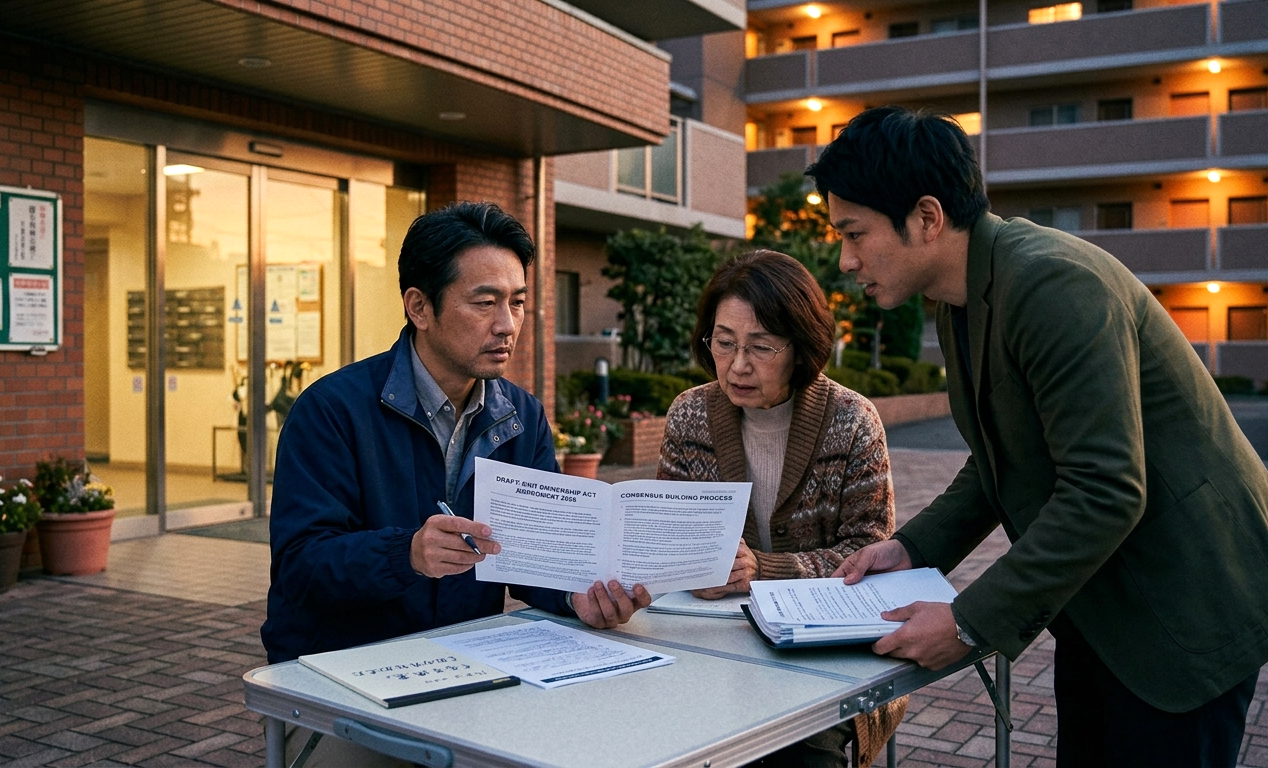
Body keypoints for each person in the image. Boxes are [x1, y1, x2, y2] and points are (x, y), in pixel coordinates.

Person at [809, 106, 1268, 767]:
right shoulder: (964, 298)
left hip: (1185, 606)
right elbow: (1000, 458)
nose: (846, 260)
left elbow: (1106, 490)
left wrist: (968, 623)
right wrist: (912, 548)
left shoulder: (1053, 284)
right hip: (1099, 605)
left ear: (928, 218)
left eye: (854, 233)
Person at [262, 201, 650, 766]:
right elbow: (301, 565)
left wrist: (577, 597)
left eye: (517, 302)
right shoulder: (332, 410)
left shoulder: (521, 416)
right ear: (419, 306)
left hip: (469, 672)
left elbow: (532, 556)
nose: (507, 324)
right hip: (338, 682)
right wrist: (407, 553)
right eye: (485, 302)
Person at [657, 250, 905, 768]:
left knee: (799, 750)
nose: (738, 365)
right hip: (709, 638)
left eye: (761, 347)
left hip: (826, 652)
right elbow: (667, 535)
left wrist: (762, 571)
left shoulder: (852, 420)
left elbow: (869, 554)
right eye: (724, 342)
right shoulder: (689, 415)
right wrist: (690, 565)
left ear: (801, 346)